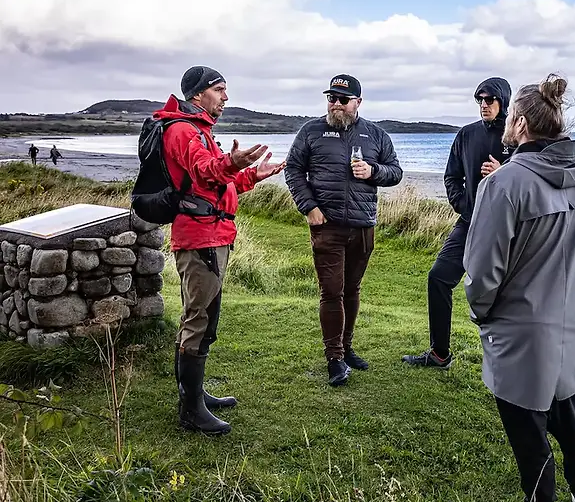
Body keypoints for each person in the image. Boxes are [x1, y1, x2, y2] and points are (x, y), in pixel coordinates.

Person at [463, 74, 575, 502]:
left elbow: (483, 269)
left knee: (526, 423)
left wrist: (481, 312)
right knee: (567, 408)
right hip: (570, 317)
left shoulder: (506, 183)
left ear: (523, 123)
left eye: (511, 116)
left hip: (519, 322)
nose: (506, 122)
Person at [161, 65, 285, 436]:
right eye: (220, 90)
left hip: (212, 235)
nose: (226, 97)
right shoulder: (184, 131)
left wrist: (249, 175)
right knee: (199, 320)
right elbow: (204, 171)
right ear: (198, 94)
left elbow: (215, 185)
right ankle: (191, 411)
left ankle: (195, 396)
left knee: (203, 318)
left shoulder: (200, 130)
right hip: (201, 239)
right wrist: (232, 162)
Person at [285, 74, 403, 387]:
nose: (335, 104)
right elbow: (293, 170)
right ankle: (334, 359)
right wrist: (308, 207)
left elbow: (395, 172)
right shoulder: (311, 131)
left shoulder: (376, 135)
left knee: (351, 290)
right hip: (327, 225)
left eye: (342, 99)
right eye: (331, 98)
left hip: (363, 226)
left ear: (358, 102)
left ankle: (347, 347)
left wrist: (373, 171)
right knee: (332, 291)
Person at [402, 77, 512, 369]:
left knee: (505, 294)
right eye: (480, 100)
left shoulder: (517, 138)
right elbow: (452, 177)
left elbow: (532, 181)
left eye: (490, 100)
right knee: (438, 278)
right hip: (469, 224)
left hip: (507, 230)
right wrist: (463, 205)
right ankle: (439, 354)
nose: (484, 105)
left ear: (504, 101)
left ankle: (511, 364)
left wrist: (503, 171)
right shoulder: (466, 135)